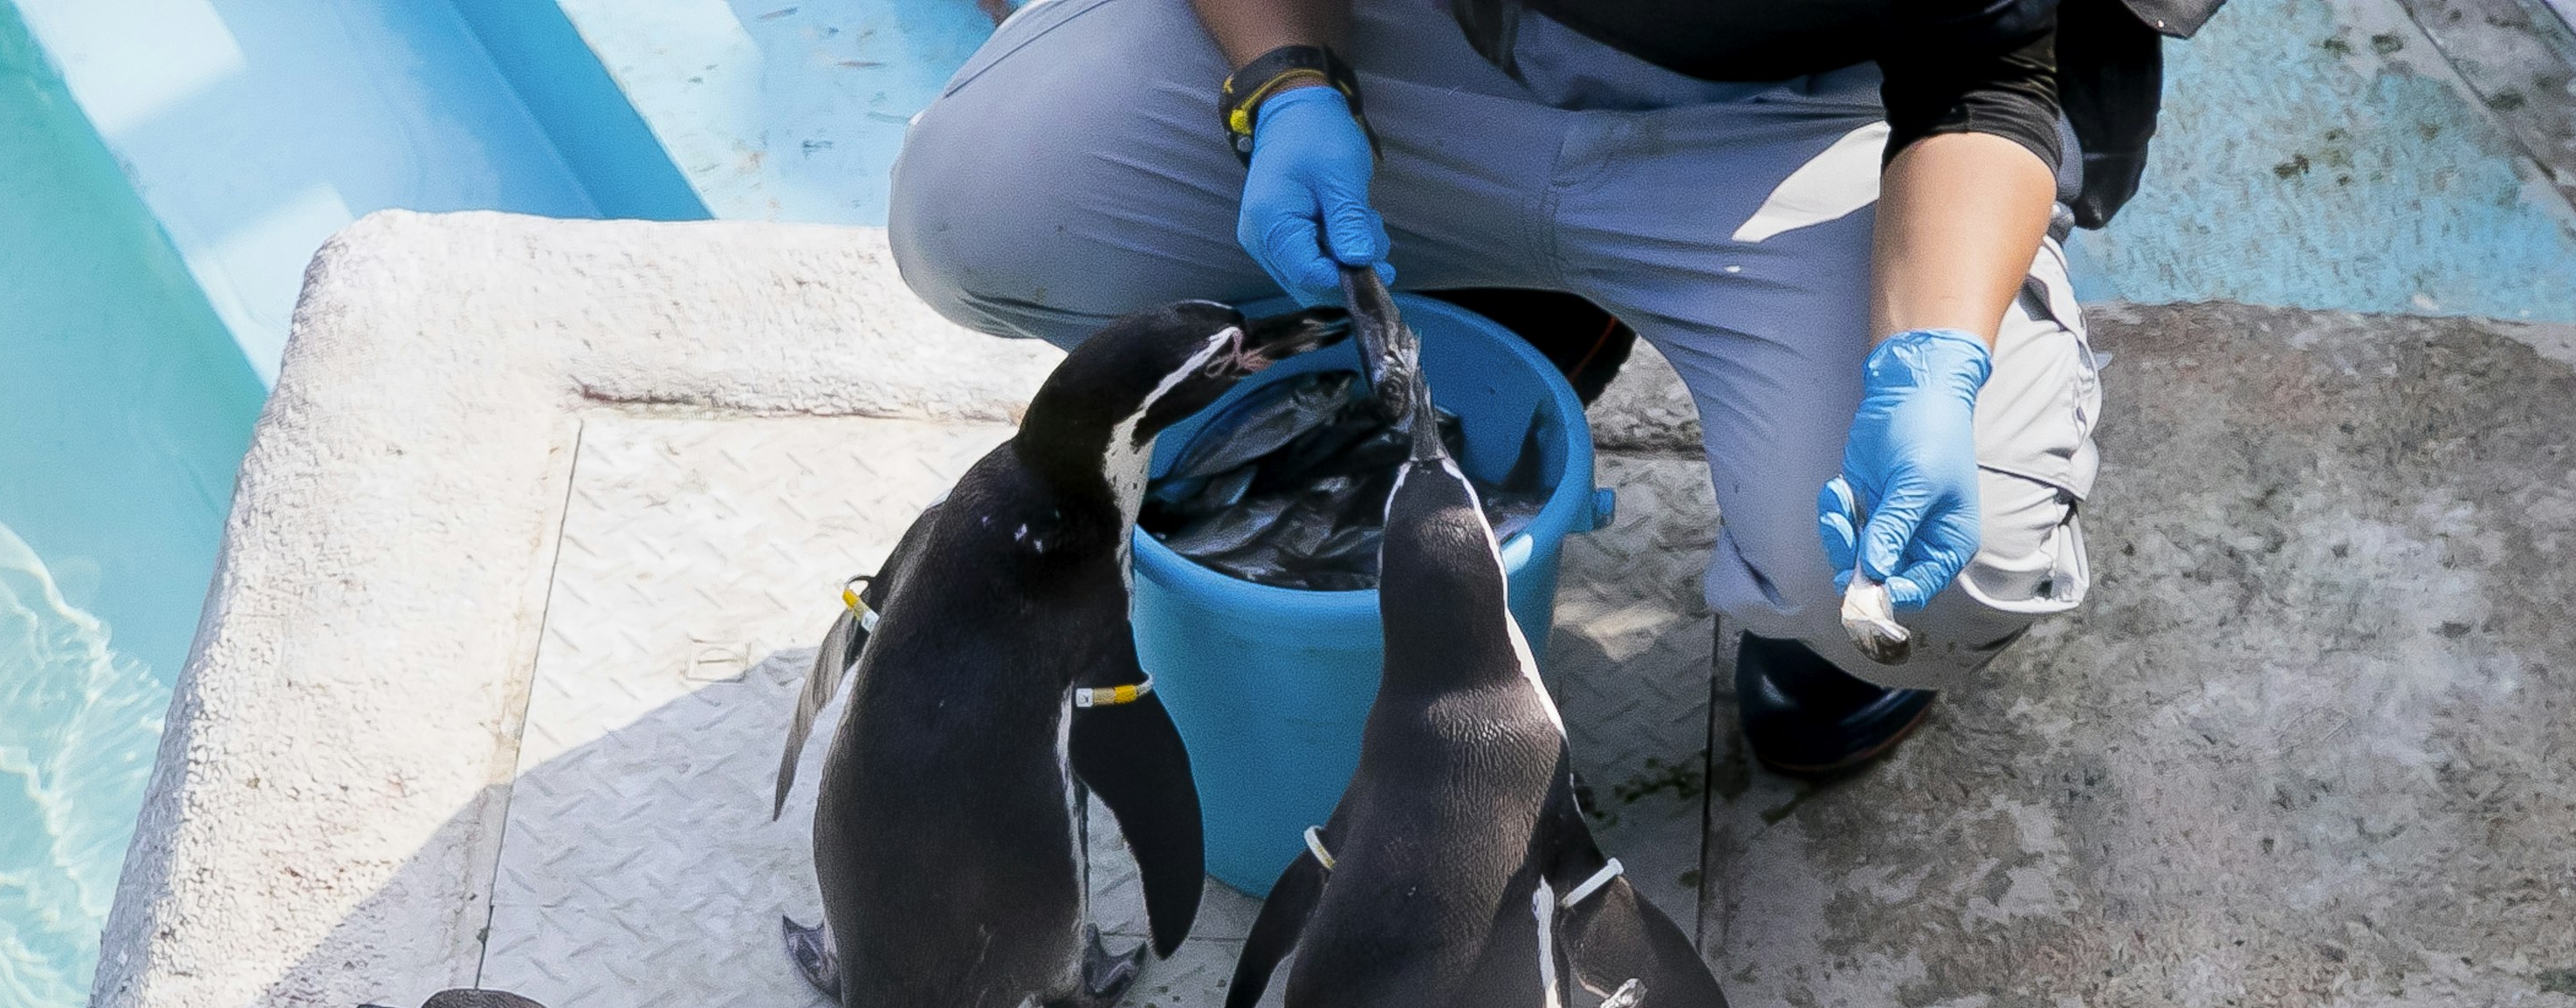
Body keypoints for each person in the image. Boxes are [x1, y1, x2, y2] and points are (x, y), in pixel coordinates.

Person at [890, 0, 2208, 778]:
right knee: (981, 208)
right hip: (1446, 40)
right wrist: (1283, 76)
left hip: (1819, 106)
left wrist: (1927, 364)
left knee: (1929, 571)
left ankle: (1571, 310)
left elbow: (1983, 76)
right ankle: (1519, 298)